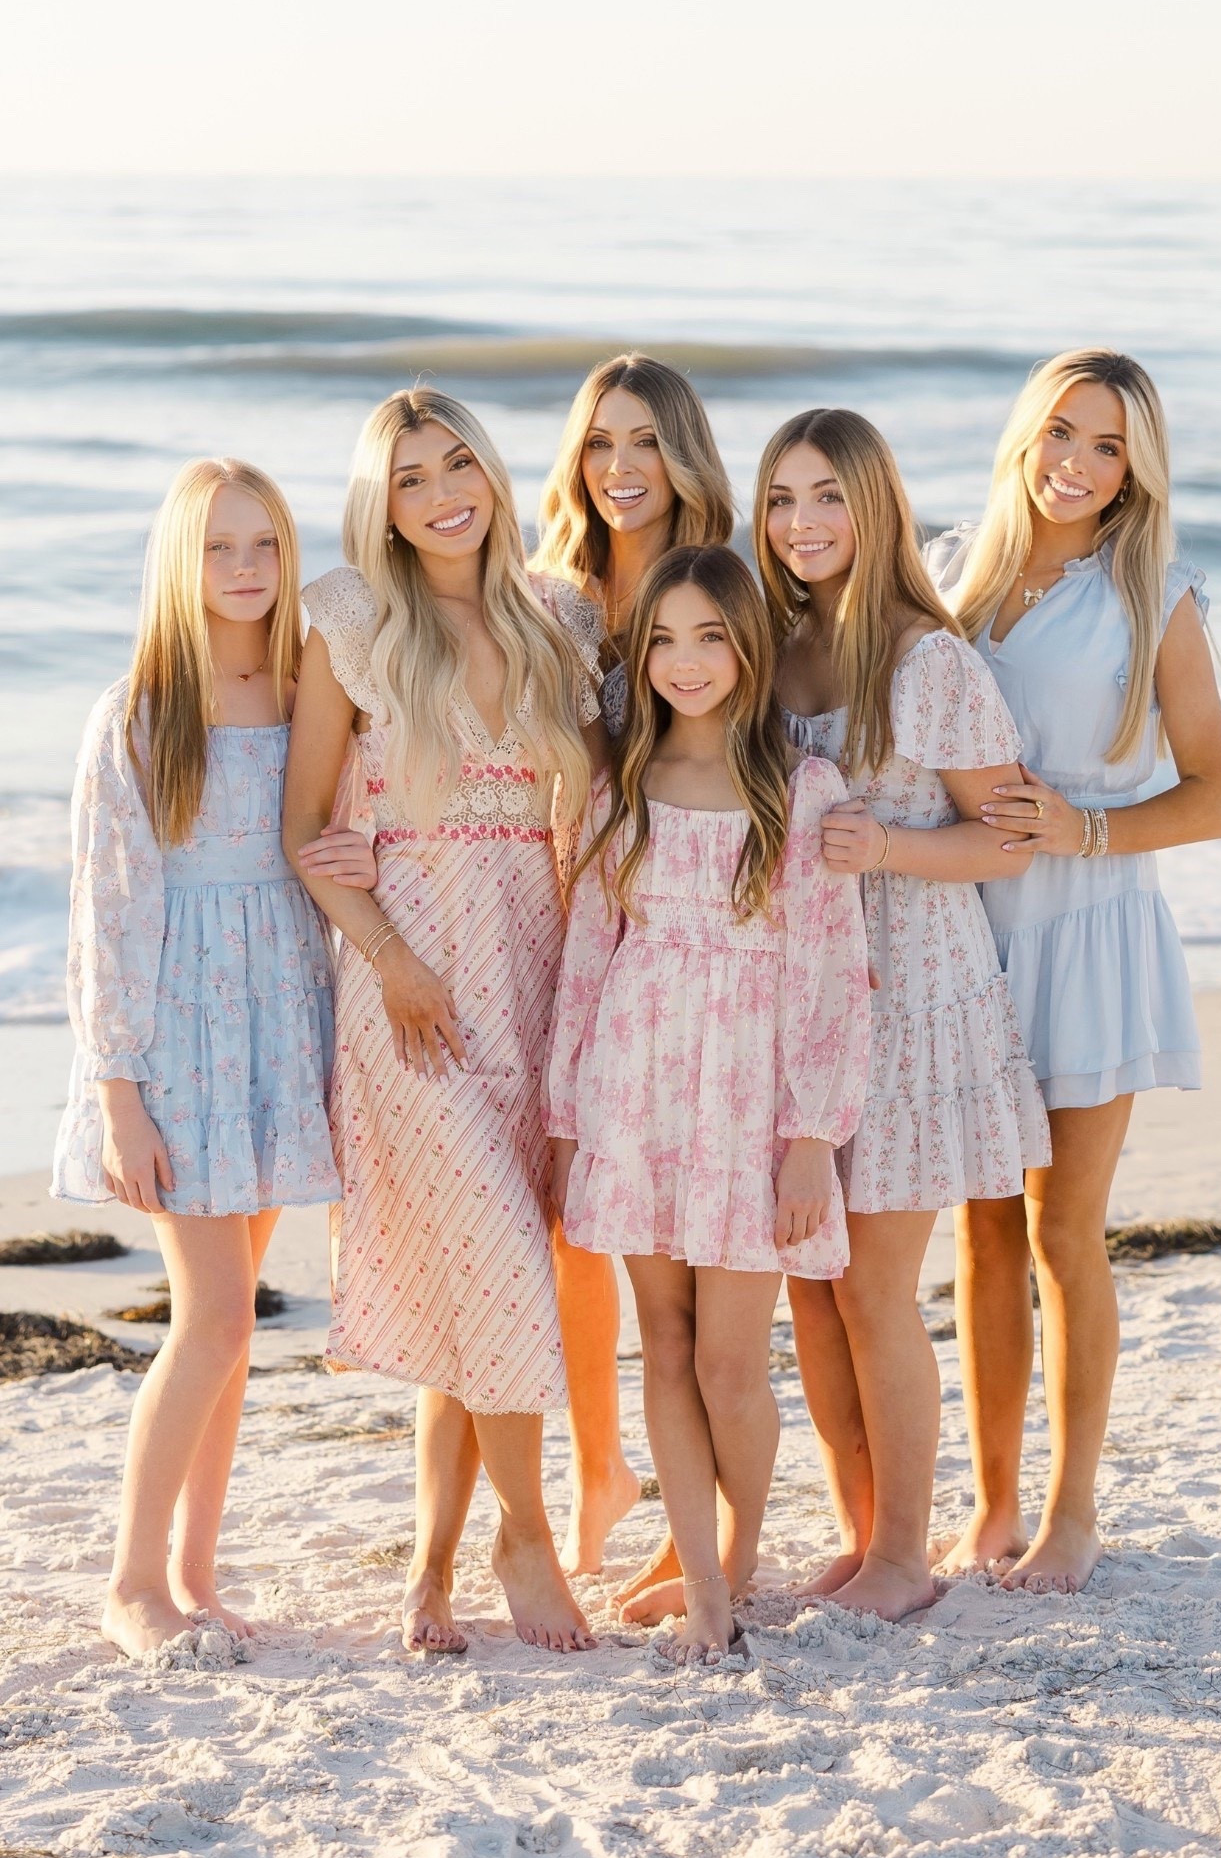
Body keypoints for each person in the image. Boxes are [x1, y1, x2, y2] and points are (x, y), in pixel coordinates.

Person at [283, 387, 601, 1654]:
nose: (442, 492)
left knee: (483, 1281)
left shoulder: (560, 615)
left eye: (457, 461)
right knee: (499, 1260)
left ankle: (429, 1570)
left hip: (533, 970)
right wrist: (395, 961)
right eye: (410, 477)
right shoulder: (353, 619)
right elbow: (309, 830)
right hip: (407, 989)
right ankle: (526, 1532)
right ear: (384, 502)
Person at [926, 348, 1221, 1593]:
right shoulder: (954, 567)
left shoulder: (1152, 592)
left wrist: (1089, 827)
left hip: (1092, 923)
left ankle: (1071, 1515)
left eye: (1107, 445)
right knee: (980, 1227)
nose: (1075, 462)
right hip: (965, 923)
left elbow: (1219, 794)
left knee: (1065, 1230)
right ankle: (991, 1505)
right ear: (1025, 432)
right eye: (1062, 431)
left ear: (1135, 468)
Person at [53, 457, 376, 1659]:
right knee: (217, 1321)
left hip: (278, 1018)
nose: (244, 570)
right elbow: (108, 909)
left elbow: (338, 836)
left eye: (265, 545)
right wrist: (117, 1089)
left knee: (231, 1329)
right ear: (178, 565)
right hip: (180, 1028)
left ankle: (196, 1571)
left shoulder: (307, 686)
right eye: (218, 548)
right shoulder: (140, 709)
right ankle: (133, 1579)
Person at [545, 546, 871, 1662]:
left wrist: (811, 1138)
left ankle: (734, 1552)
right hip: (635, 1091)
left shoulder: (802, 789)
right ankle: (710, 1590)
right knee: (664, 1347)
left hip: (748, 1099)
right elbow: (589, 961)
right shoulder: (619, 785)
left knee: (733, 1362)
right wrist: (567, 1119)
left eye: (712, 637)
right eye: (666, 640)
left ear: (750, 646)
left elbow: (832, 974)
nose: (687, 662)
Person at [755, 408, 1049, 1619]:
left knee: (874, 1285)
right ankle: (859, 1531)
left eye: (826, 496)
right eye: (780, 499)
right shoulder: (769, 648)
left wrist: (889, 845)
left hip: (916, 989)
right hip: (799, 998)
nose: (803, 524)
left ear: (872, 505)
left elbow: (1010, 839)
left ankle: (903, 1555)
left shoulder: (930, 662)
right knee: (807, 1283)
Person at [529, 351, 733, 1579]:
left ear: (683, 451)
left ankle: (692, 1521)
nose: (620, 466)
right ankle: (601, 1464)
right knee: (572, 1220)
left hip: (678, 940)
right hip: (550, 910)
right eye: (600, 442)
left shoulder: (717, 590)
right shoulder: (549, 597)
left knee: (693, 1253)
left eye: (646, 440)